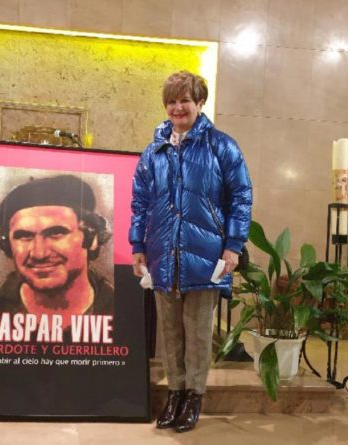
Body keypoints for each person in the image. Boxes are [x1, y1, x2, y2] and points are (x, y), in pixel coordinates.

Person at [129, 71, 252, 433]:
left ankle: (195, 395)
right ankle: (175, 394)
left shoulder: (222, 146)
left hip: (205, 254)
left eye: (185, 100)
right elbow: (140, 201)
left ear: (200, 103)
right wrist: (138, 244)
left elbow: (241, 197)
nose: (177, 107)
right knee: (170, 332)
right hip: (162, 254)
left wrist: (233, 246)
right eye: (171, 101)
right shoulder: (154, 151)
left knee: (197, 331)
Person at [0, 174, 114, 329]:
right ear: (7, 245)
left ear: (92, 238)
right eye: (25, 236)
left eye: (56, 234)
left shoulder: (122, 312)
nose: (39, 254)